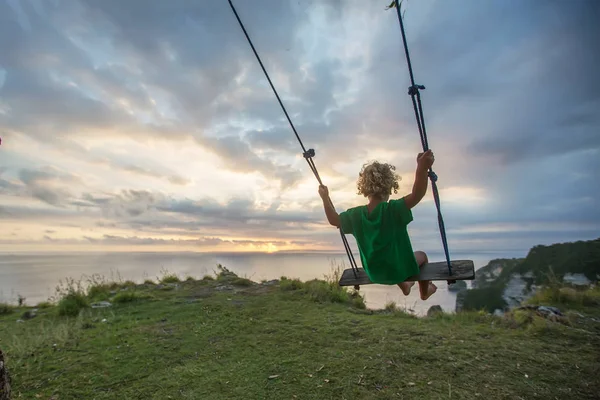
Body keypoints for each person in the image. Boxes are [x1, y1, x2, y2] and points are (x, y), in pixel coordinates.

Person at [318, 149, 437, 300]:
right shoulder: (393, 210)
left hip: (374, 273)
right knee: (422, 256)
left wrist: (325, 198)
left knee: (387, 258)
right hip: (399, 271)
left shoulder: (355, 215)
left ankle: (405, 286)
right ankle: (425, 292)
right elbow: (417, 194)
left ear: (365, 188)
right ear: (390, 186)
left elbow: (334, 219)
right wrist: (422, 168)